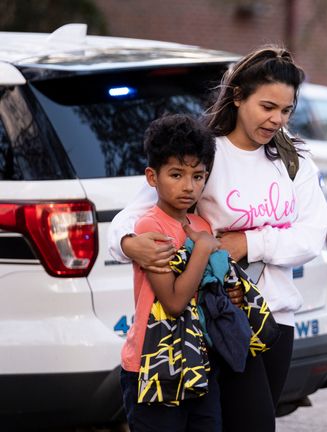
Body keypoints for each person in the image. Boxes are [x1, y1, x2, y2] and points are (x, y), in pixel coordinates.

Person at [108, 46, 327, 432]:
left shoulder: (295, 161)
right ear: (239, 96)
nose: (277, 119)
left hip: (276, 318)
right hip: (223, 319)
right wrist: (128, 243)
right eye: (267, 107)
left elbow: (311, 236)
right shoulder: (207, 154)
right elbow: (135, 216)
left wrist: (247, 244)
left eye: (286, 110)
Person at [119, 114, 221, 432]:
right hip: (154, 364)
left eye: (198, 176)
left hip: (198, 362)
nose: (188, 186)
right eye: (176, 174)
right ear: (152, 177)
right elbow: (174, 302)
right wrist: (203, 251)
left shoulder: (202, 225)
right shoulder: (151, 227)